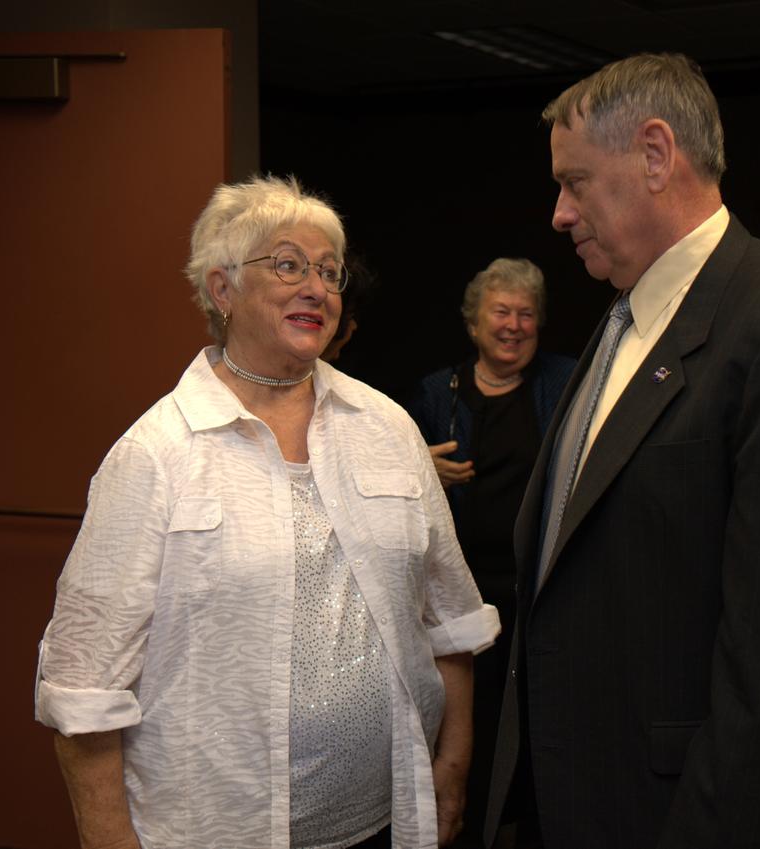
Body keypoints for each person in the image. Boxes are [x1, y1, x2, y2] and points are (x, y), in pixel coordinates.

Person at [484, 54, 760, 849]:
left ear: (654, 154)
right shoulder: (625, 317)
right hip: (592, 793)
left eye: (575, 182)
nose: (559, 214)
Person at [35, 175, 500, 849]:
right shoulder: (156, 454)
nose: (317, 287)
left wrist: (451, 772)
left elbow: (452, 619)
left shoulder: (388, 428)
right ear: (222, 289)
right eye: (287, 264)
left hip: (387, 823)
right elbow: (83, 689)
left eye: (329, 272)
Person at [406, 258, 574, 848]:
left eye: (526, 314)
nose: (514, 325)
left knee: (537, 726)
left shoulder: (565, 382)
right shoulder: (435, 392)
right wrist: (421, 467)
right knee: (462, 727)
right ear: (474, 324)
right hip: (461, 598)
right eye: (501, 312)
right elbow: (398, 484)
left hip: (537, 591)